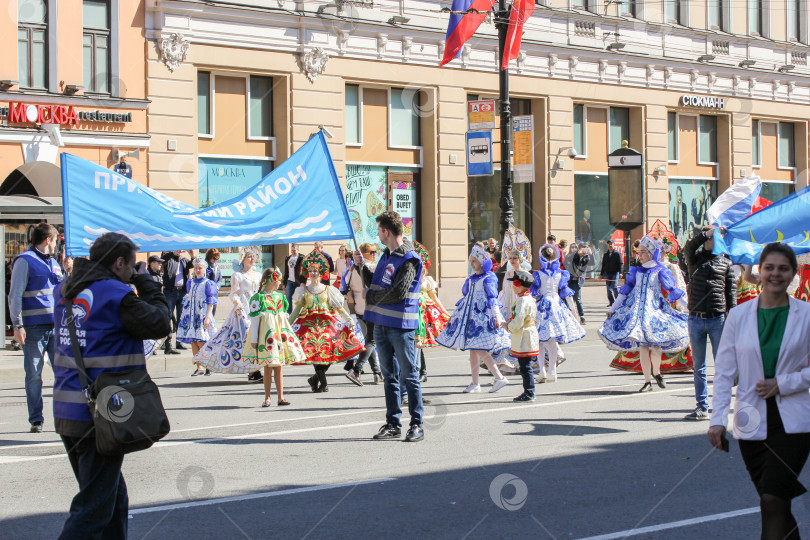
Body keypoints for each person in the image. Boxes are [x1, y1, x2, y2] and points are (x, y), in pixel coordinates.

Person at [52, 232, 170, 539]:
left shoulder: (65, 291)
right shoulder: (115, 296)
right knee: (93, 509)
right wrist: (145, 282)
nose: (132, 271)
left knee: (113, 500)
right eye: (130, 265)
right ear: (118, 263)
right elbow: (160, 323)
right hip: (100, 413)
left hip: (68, 409)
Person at [708, 243, 810, 540]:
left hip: (795, 421)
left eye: (783, 268)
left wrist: (784, 383)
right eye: (770, 268)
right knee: (775, 501)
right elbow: (725, 373)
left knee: (772, 498)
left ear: (793, 273)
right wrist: (717, 420)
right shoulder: (738, 316)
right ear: (759, 272)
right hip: (750, 420)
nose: (775, 274)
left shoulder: (806, 314)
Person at [353, 211, 425, 442]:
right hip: (382, 325)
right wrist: (360, 267)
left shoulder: (409, 258)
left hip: (401, 326)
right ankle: (393, 423)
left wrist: (371, 294)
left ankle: (416, 424)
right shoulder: (386, 255)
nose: (377, 235)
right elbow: (376, 284)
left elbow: (398, 292)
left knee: (410, 375)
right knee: (389, 376)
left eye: (378, 230)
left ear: (386, 231)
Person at [599, 236, 689, 392]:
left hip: (655, 311)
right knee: (642, 346)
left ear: (651, 253)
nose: (639, 255)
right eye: (638, 252)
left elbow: (672, 290)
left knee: (656, 346)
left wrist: (688, 307)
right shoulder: (637, 271)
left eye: (642, 252)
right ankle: (647, 381)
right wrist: (612, 309)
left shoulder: (661, 270)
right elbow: (625, 292)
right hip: (637, 312)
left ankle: (657, 372)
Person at [8, 222, 63, 433]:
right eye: (56, 241)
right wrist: (18, 325)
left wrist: (68, 271)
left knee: (63, 373)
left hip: (55, 327)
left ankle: (63, 416)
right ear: (48, 240)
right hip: (33, 329)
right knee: (34, 375)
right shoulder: (25, 261)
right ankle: (36, 419)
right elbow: (15, 295)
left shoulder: (55, 263)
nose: (58, 245)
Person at [438, 244, 511, 394]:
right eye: (470, 261)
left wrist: (497, 315)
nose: (472, 264)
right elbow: (465, 293)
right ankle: (475, 383)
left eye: (474, 261)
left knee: (479, 349)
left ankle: (499, 377)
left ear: (483, 262)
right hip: (471, 318)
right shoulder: (472, 278)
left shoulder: (488, 277)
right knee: (473, 350)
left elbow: (492, 297)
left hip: (482, 318)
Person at [291, 249, 364, 393]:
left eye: (315, 271)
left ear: (320, 273)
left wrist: (349, 319)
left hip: (327, 325)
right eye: (310, 270)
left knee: (331, 351)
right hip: (309, 326)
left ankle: (314, 379)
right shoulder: (303, 290)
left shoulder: (328, 289)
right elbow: (296, 311)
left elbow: (339, 307)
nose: (313, 273)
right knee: (315, 353)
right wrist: (286, 324)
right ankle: (323, 384)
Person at [684, 225, 736, 420]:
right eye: (706, 238)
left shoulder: (726, 264)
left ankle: (721, 406)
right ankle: (702, 406)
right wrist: (706, 233)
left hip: (718, 319)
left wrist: (734, 316)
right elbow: (689, 248)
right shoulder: (694, 259)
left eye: (712, 238)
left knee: (721, 366)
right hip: (696, 318)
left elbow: (731, 293)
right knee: (699, 366)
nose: (708, 241)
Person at [244, 267, 305, 407]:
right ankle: (267, 397)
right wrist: (254, 339)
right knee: (268, 366)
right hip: (267, 337)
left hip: (278, 336)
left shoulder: (280, 297)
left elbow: (283, 317)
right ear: (272, 280)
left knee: (278, 366)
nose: (280, 283)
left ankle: (280, 397)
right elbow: (255, 320)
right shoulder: (259, 298)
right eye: (278, 280)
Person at [195, 246, 261, 376]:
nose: (252, 258)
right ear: (243, 259)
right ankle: (252, 370)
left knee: (256, 337)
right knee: (245, 338)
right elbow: (233, 294)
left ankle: (254, 368)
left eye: (253, 256)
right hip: (242, 311)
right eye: (249, 256)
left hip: (256, 308)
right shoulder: (238, 275)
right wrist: (238, 305)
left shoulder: (258, 274)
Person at [532, 244, 586, 383]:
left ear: (541, 257)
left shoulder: (538, 274)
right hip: (556, 305)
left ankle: (542, 371)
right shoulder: (560, 273)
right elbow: (567, 294)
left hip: (542, 306)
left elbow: (533, 293)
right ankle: (552, 371)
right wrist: (573, 311)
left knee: (539, 340)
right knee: (551, 341)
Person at [344, 243, 383, 386]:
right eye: (372, 252)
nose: (374, 255)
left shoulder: (351, 269)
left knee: (368, 340)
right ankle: (356, 370)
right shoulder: (371, 267)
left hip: (358, 309)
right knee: (372, 341)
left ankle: (377, 373)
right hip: (370, 307)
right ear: (364, 254)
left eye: (375, 252)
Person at [412, 241, 450, 383]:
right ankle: (418, 372)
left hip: (426, 314)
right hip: (413, 313)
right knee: (416, 344)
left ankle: (420, 372)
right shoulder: (409, 277)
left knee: (418, 344)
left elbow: (434, 298)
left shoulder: (428, 280)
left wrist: (445, 312)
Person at [177, 257, 218, 375]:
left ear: (204, 270)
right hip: (192, 315)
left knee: (201, 341)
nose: (198, 270)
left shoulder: (208, 284)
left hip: (202, 315)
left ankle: (208, 364)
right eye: (196, 268)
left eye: (200, 268)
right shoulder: (191, 282)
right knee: (194, 341)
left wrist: (208, 317)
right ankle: (199, 367)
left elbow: (210, 302)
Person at [504, 270, 540, 402]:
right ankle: (528, 391)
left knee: (525, 366)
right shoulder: (528, 299)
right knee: (525, 365)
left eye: (514, 283)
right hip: (527, 333)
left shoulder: (523, 301)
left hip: (525, 335)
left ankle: (529, 392)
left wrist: (508, 326)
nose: (513, 286)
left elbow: (519, 320)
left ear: (519, 285)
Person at [161, 250, 190, 354]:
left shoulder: (184, 260)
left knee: (181, 318)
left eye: (181, 250)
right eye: (178, 250)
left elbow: (194, 264)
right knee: (167, 316)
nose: (180, 252)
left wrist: (192, 254)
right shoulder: (170, 259)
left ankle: (179, 341)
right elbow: (163, 259)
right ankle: (166, 342)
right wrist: (173, 252)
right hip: (170, 291)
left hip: (182, 292)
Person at [499, 248, 533, 318]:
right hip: (508, 301)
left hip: (520, 300)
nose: (512, 260)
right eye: (510, 258)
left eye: (515, 258)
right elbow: (505, 290)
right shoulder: (508, 274)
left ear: (520, 259)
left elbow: (528, 289)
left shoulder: (525, 273)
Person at [565, 243, 591, 324]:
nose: (584, 251)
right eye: (583, 249)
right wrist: (577, 253)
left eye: (586, 249)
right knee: (569, 299)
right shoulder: (575, 254)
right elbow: (567, 259)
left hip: (578, 281)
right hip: (570, 280)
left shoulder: (587, 257)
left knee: (578, 299)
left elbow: (588, 262)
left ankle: (582, 317)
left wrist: (590, 253)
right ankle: (569, 316)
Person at [600, 239, 623, 307]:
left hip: (615, 273)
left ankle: (619, 301)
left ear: (614, 245)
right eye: (609, 244)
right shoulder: (606, 254)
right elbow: (603, 265)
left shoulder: (617, 254)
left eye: (611, 244)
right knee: (608, 288)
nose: (610, 245)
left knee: (614, 287)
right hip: (608, 273)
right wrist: (601, 274)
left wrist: (620, 272)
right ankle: (612, 302)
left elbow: (620, 264)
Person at [282, 244, 303, 313]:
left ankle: (300, 314)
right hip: (289, 281)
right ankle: (289, 315)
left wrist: (303, 282)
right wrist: (284, 283)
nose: (293, 252)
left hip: (298, 281)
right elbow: (286, 271)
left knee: (299, 298)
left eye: (294, 250)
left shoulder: (301, 258)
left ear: (298, 250)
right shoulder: (288, 258)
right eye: (292, 251)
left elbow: (304, 271)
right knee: (288, 298)